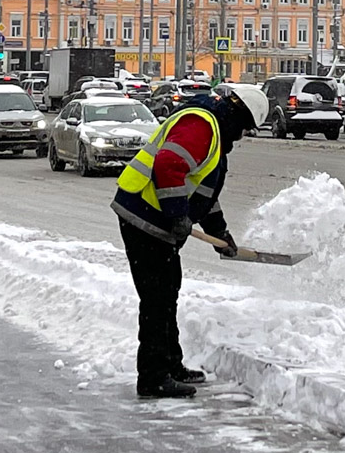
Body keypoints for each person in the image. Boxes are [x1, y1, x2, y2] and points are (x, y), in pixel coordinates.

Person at [110, 85, 268, 399]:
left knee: (168, 290)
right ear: (238, 116)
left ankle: (170, 365)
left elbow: (202, 193)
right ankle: (153, 378)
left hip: (155, 219)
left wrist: (220, 234)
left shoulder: (212, 129)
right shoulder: (202, 126)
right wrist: (177, 214)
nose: (242, 136)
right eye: (246, 128)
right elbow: (168, 164)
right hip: (144, 216)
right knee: (157, 298)